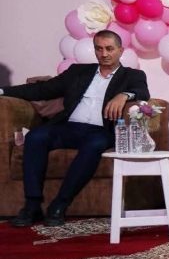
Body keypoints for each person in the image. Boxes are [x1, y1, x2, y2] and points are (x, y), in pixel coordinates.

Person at [0, 30, 149, 227]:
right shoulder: (78, 71)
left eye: (109, 49)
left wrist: (124, 95)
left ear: (120, 51)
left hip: (100, 131)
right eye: (99, 49)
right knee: (36, 137)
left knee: (95, 144)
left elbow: (142, 91)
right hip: (68, 126)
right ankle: (32, 205)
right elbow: (41, 90)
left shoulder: (132, 75)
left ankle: (59, 205)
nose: (104, 54)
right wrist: (2, 90)